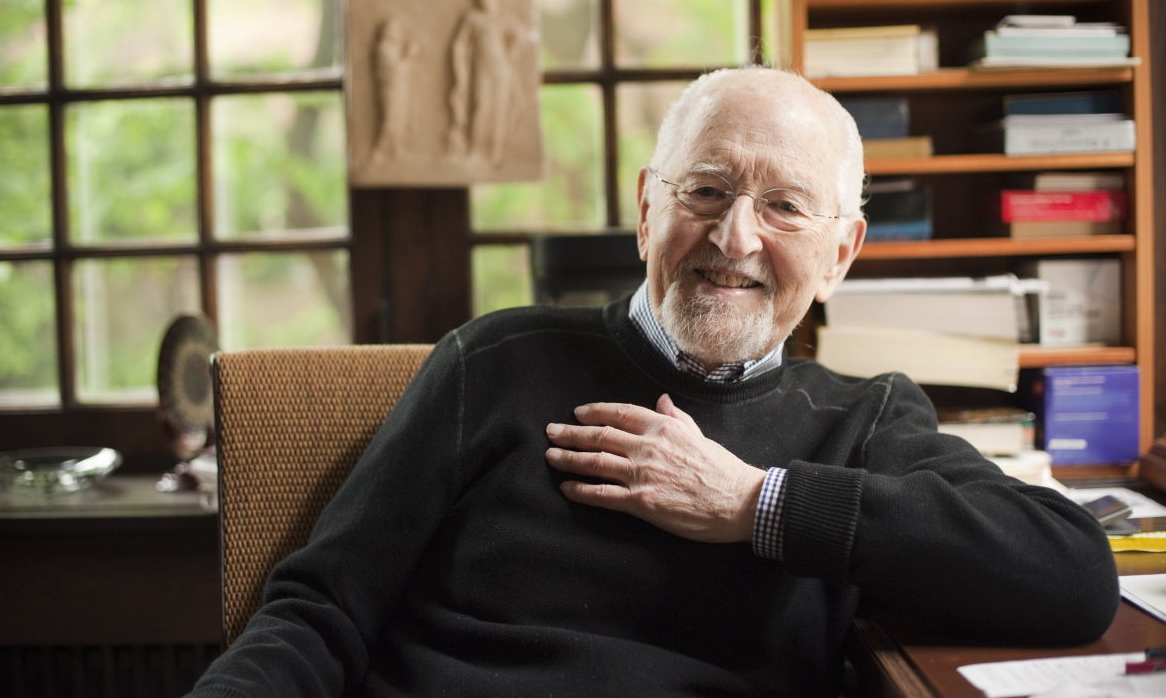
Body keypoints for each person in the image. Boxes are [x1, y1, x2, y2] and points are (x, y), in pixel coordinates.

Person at [188, 67, 1118, 698]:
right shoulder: (492, 361)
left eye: (784, 206)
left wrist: (758, 504)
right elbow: (321, 611)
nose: (734, 238)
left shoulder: (862, 421)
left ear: (840, 253)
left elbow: (1072, 576)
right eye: (705, 190)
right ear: (647, 209)